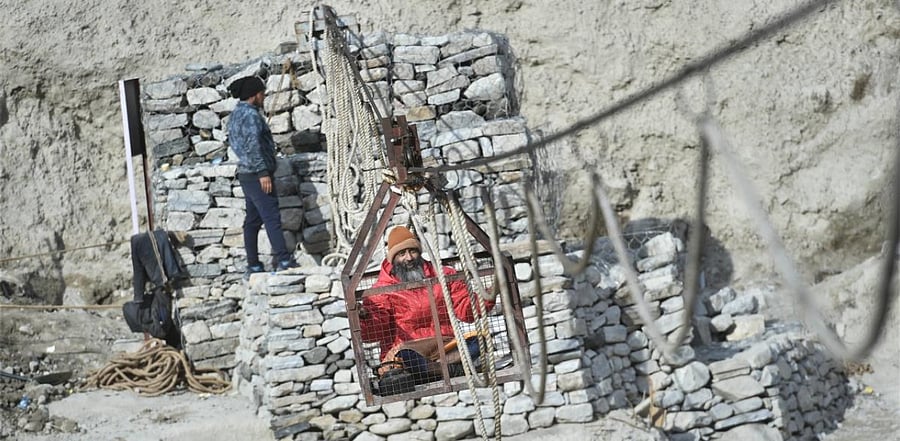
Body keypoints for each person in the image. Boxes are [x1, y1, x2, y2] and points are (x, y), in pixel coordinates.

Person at [358, 226, 496, 395]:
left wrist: (487, 296)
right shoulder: (381, 290)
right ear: (392, 258)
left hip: (444, 347)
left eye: (412, 251)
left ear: (419, 252)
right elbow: (374, 333)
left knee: (479, 342)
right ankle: (453, 369)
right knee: (406, 357)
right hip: (411, 354)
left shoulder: (444, 275)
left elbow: (465, 310)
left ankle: (438, 369)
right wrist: (364, 318)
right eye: (402, 254)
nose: (408, 258)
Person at [226, 76, 297, 278]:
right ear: (255, 95)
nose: (264, 97)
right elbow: (253, 145)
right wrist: (263, 172)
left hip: (246, 174)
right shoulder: (250, 116)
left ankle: (254, 265)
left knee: (253, 220)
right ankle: (284, 260)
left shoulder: (236, 115)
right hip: (257, 175)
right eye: (262, 93)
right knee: (271, 216)